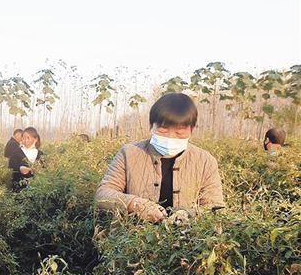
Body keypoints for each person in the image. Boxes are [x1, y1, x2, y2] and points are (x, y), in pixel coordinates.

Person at [96, 93, 225, 223]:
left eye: (179, 132)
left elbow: (214, 207)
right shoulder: (128, 154)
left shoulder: (205, 161)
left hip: (186, 234)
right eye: (163, 130)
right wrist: (136, 204)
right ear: (151, 126)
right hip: (136, 233)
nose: (171, 137)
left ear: (192, 130)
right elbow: (103, 194)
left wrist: (188, 214)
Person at [8, 126, 43, 191]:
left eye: (28, 138)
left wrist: (38, 170)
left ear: (35, 139)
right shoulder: (16, 152)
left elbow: (44, 169)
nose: (25, 140)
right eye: (23, 138)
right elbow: (10, 166)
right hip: (19, 187)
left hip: (36, 188)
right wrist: (19, 168)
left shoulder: (40, 154)